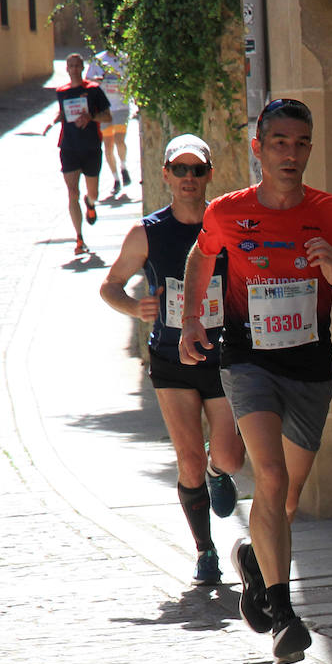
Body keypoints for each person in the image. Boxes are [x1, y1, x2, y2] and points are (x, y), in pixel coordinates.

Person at [179, 99, 332, 664]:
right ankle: (286, 616)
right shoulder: (227, 211)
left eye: (301, 143)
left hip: (310, 364)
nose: (291, 154)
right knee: (266, 473)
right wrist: (193, 317)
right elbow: (200, 256)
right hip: (248, 359)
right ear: (259, 147)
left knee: (283, 496)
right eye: (280, 143)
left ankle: (252, 567)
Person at [98, 134, 245, 586]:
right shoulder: (147, 232)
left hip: (221, 357)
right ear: (165, 174)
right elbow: (110, 285)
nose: (187, 178)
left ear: (208, 176)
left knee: (231, 457)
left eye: (196, 170)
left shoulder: (226, 224)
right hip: (170, 357)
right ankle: (205, 551)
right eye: (178, 169)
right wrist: (132, 307)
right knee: (187, 460)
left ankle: (219, 471)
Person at [41, 53, 111, 256]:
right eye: (70, 65)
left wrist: (91, 117)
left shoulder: (94, 90)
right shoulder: (62, 92)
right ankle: (79, 238)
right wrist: (52, 122)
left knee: (93, 193)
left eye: (76, 65)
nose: (73, 69)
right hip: (68, 146)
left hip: (90, 147)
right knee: (72, 193)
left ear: (82, 67)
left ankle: (91, 204)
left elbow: (108, 115)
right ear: (66, 69)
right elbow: (62, 113)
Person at [85, 50, 132, 196]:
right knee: (108, 145)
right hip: (104, 109)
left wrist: (121, 79)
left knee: (119, 140)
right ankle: (116, 179)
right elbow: (88, 80)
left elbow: (131, 79)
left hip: (121, 106)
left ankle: (123, 167)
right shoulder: (98, 60)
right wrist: (100, 80)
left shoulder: (124, 58)